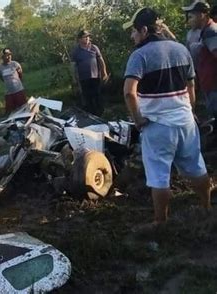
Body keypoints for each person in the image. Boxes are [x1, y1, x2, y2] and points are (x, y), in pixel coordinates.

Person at [122, 7, 211, 225]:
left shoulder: (139, 55)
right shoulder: (181, 49)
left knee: (159, 176)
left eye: (133, 31)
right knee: (196, 167)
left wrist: (138, 119)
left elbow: (128, 92)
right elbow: (191, 85)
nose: (132, 36)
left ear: (144, 30)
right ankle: (207, 207)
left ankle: (160, 222)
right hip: (185, 122)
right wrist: (189, 108)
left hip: (158, 126)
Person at [182, 1, 217, 128]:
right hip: (209, 86)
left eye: (191, 17)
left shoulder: (211, 32)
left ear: (202, 15)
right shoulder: (205, 31)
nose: (189, 20)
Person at [70, 30, 109, 117]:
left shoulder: (94, 48)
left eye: (88, 37)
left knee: (97, 94)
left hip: (95, 76)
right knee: (88, 97)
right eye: (85, 37)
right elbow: (73, 66)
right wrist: (74, 78)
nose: (87, 38)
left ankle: (101, 113)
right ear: (79, 39)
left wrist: (104, 72)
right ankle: (91, 114)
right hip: (83, 78)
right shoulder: (76, 51)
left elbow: (101, 60)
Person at [0, 48, 27, 113]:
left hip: (18, 91)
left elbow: (20, 75)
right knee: (11, 112)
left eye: (9, 54)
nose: (9, 57)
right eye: (6, 55)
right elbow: (1, 78)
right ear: (2, 57)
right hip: (9, 93)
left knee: (24, 109)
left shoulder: (15, 64)